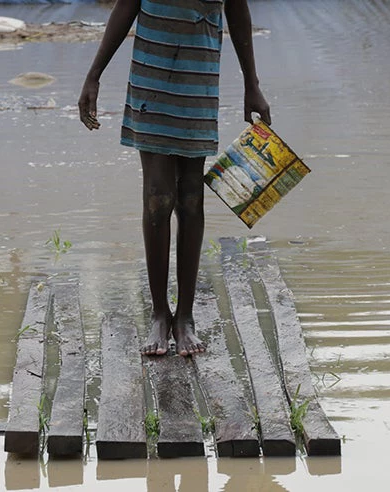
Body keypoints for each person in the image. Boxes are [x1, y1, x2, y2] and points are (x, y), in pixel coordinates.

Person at [79, 0, 270, 357]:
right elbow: (127, 6)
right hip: (151, 78)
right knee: (157, 198)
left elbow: (238, 12)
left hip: (197, 80)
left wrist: (251, 85)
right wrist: (94, 74)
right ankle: (158, 314)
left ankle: (184, 318)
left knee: (191, 199)